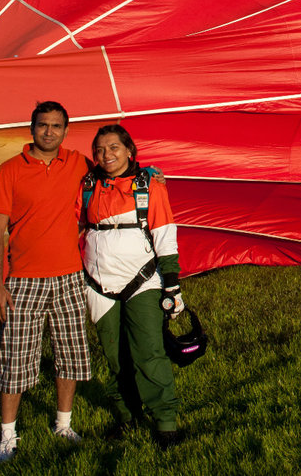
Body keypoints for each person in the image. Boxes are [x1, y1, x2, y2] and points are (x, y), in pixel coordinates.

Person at [0, 101, 93, 462]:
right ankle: (7, 435)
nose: (49, 131)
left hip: (69, 276)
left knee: (71, 355)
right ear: (31, 128)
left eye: (57, 126)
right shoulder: (9, 171)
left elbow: (116, 173)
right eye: (43, 125)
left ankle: (63, 424)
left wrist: (150, 173)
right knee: (16, 360)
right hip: (24, 281)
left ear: (66, 130)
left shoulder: (79, 164)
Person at [80, 124, 184, 446]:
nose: (106, 154)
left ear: (129, 150)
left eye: (113, 147)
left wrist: (171, 283)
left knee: (148, 351)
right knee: (114, 356)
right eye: (99, 149)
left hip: (142, 281)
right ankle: (126, 416)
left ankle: (165, 421)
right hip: (98, 283)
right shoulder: (85, 186)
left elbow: (164, 233)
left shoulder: (149, 185)